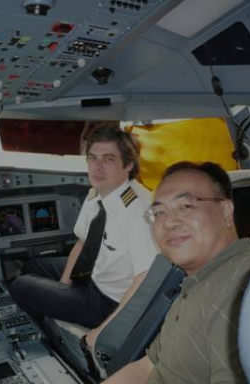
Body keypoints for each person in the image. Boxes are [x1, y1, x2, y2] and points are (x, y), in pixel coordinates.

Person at [103, 161, 250, 384]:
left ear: (226, 211)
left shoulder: (245, 292)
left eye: (186, 206)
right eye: (158, 212)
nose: (168, 222)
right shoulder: (195, 281)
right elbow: (148, 366)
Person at [9, 127, 157, 342]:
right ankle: (52, 320)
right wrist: (63, 286)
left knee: (20, 286)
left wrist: (107, 328)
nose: (97, 167)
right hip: (93, 274)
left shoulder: (139, 211)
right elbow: (83, 241)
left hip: (108, 301)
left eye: (108, 159)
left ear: (128, 164)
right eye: (92, 158)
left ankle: (48, 342)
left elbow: (146, 280)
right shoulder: (99, 191)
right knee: (33, 266)